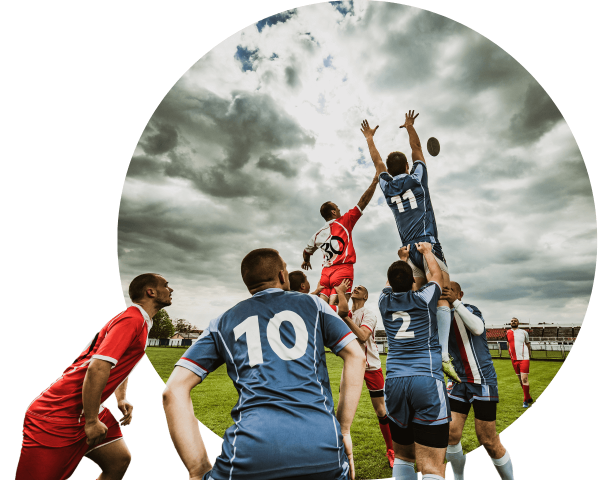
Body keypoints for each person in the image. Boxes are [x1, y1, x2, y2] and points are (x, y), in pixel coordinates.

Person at [162, 248, 366, 480]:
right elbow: (356, 356)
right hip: (322, 445)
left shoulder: (221, 322)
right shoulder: (314, 305)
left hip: (250, 452)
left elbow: (173, 391)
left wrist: (198, 470)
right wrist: (344, 429)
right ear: (282, 276)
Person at [15, 273, 173, 480]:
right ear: (150, 292)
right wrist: (91, 421)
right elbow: (98, 367)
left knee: (118, 461)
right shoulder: (132, 319)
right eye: (166, 285)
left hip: (86, 406)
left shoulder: (140, 320)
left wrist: (121, 397)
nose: (170, 290)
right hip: (57, 413)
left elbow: (117, 364)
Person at [360, 112, 459, 385]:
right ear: (406, 164)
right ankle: (444, 355)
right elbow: (417, 149)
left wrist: (370, 138)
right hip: (428, 244)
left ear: (389, 171)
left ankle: (421, 350)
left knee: (416, 298)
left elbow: (376, 161)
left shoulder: (387, 185)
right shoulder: (417, 177)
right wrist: (410, 127)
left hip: (406, 250)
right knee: (443, 296)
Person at [379, 242, 450, 480]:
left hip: (395, 382)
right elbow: (436, 276)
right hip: (426, 379)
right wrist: (427, 253)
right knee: (431, 465)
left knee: (403, 457)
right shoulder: (423, 298)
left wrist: (402, 258)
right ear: (413, 282)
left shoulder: (383, 301)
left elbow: (391, 282)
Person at [441, 282, 514, 480]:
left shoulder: (470, 310)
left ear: (460, 294)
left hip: (481, 380)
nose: (445, 292)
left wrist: (455, 302)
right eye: (442, 290)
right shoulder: (440, 316)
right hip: (457, 381)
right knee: (450, 435)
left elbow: (478, 329)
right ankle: (458, 477)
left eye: (450, 290)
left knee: (488, 440)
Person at [338, 281, 395, 468]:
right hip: (352, 366)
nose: (356, 289)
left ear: (365, 297)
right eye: (355, 288)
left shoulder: (368, 314)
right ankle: (339, 450)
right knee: (343, 412)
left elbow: (362, 336)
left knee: (381, 411)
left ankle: (391, 450)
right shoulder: (345, 312)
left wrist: (345, 318)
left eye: (360, 289)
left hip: (371, 367)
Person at [302, 174, 379, 306]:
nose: (339, 209)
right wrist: (375, 181)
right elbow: (363, 202)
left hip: (325, 274)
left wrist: (306, 261)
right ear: (333, 212)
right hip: (342, 270)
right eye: (337, 207)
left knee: (323, 308)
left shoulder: (317, 235)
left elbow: (306, 251)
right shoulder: (344, 221)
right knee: (337, 310)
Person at [506, 317, 534, 407]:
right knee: (520, 380)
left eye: (515, 321)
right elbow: (508, 343)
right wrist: (509, 354)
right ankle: (528, 397)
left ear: (518, 323)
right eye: (512, 321)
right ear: (510, 323)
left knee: (524, 379)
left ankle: (525, 401)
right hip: (514, 359)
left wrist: (529, 354)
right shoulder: (507, 332)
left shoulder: (524, 332)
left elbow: (527, 343)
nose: (513, 322)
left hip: (524, 358)